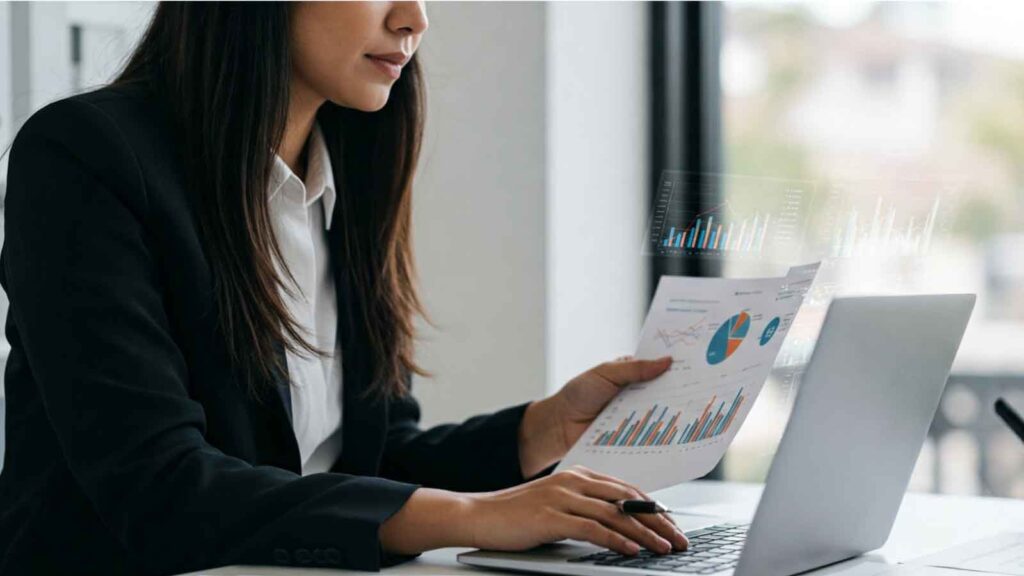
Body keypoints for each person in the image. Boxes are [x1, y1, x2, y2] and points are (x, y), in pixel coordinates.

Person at [0, 3, 687, 575]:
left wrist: (543, 429)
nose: (414, 19)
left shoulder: (350, 163)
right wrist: (474, 515)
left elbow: (369, 461)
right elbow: (159, 488)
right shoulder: (83, 155)